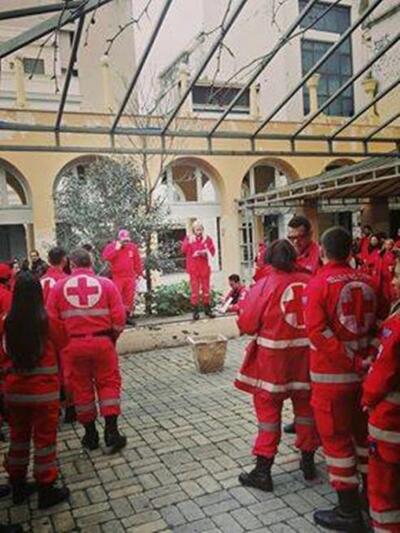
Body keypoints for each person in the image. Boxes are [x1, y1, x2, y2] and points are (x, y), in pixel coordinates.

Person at [304, 227, 380, 532]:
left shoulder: (318, 284)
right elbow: (382, 324)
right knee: (363, 438)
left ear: (322, 251)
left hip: (331, 380)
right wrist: (366, 358)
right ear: (351, 251)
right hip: (366, 379)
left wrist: (350, 360)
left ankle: (348, 512)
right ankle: (369, 499)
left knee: (336, 443)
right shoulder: (370, 280)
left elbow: (317, 333)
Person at [235, 240, 319, 492]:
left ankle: (263, 472)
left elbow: (247, 324)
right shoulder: (310, 280)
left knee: (269, 416)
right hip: (306, 360)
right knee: (306, 411)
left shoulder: (264, 284)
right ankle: (308, 463)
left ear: (269, 259)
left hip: (272, 364)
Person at [48, 248, 127, 453]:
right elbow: (119, 317)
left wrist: (64, 344)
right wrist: (111, 337)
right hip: (103, 343)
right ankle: (112, 432)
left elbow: (52, 321)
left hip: (73, 346)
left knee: (81, 388)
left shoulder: (58, 287)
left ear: (71, 264)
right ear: (91, 263)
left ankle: (90, 435)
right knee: (109, 383)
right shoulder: (106, 284)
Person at [2, 272, 70, 509]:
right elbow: (63, 342)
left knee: (18, 439)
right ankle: (46, 489)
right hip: (44, 393)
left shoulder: (5, 322)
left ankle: (18, 485)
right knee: (44, 441)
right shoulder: (47, 321)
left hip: (14, 392)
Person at [362, 258, 400, 533]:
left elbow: (382, 375)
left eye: (397, 276)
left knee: (385, 493)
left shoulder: (397, 326)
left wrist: (367, 399)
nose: (393, 281)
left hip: (391, 422)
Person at [284, 215, 321, 435]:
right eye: (291, 238)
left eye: (300, 237)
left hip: (316, 324)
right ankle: (301, 418)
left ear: (310, 234)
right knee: (299, 377)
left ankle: (315, 420)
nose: (296, 241)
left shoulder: (320, 255)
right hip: (298, 324)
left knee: (313, 379)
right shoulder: (291, 255)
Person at [40, 247, 75, 423]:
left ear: (48, 260)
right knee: (68, 370)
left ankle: (54, 408)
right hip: (64, 331)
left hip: (44, 333)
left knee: (51, 370)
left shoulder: (40, 281)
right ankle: (70, 408)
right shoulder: (67, 281)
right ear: (64, 259)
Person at [102, 230, 143, 325]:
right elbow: (106, 257)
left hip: (130, 276)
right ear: (119, 239)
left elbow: (137, 261)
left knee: (129, 298)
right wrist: (116, 249)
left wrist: (139, 273)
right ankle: (117, 318)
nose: (126, 242)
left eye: (127, 240)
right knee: (117, 297)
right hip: (117, 277)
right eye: (124, 240)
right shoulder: (112, 246)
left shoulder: (132, 247)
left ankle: (126, 317)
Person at [182, 221, 216, 320]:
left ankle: (207, 310)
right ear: (193, 230)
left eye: (200, 229)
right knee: (195, 291)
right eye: (197, 229)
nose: (199, 231)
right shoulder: (189, 238)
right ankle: (195, 312)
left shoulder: (207, 239)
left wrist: (204, 252)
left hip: (204, 268)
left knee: (206, 290)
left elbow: (213, 251)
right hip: (193, 269)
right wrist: (189, 242)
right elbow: (183, 250)